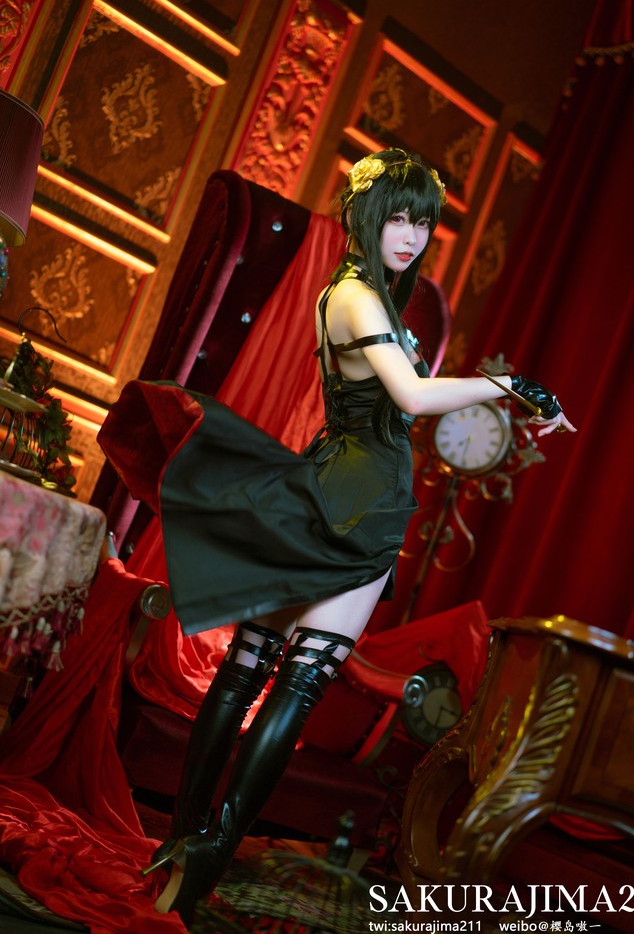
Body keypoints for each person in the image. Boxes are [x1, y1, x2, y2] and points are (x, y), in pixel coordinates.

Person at [99, 147, 575, 927]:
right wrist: (509, 384)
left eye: (423, 222)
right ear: (368, 215)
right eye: (399, 217)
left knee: (251, 669)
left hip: (334, 483)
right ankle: (206, 847)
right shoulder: (356, 295)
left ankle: (188, 838)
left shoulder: (359, 295)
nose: (412, 235)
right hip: (360, 496)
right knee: (290, 679)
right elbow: (411, 397)